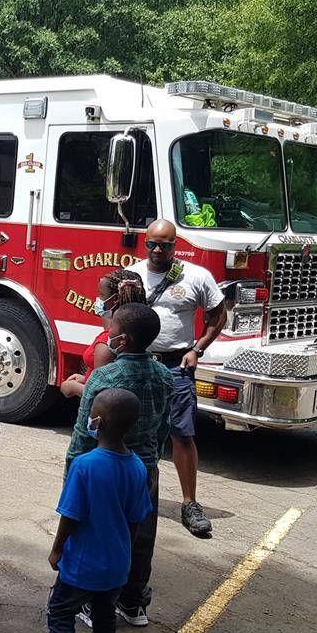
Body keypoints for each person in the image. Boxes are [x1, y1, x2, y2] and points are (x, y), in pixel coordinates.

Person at [66, 303, 171, 630]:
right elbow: (163, 426)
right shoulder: (164, 376)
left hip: (104, 470)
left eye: (111, 329)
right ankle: (133, 601)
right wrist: (151, 459)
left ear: (122, 340)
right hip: (145, 467)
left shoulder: (105, 377)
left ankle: (91, 602)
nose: (107, 333)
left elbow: (85, 431)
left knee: (97, 532)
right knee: (140, 534)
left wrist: (72, 472)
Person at [46, 388, 153, 633]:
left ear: (99, 422)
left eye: (92, 413)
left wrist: (57, 549)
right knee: (105, 615)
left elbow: (71, 515)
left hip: (82, 565)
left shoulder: (84, 465)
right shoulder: (138, 468)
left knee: (60, 612)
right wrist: (125, 552)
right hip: (116, 565)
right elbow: (136, 520)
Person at [126, 219, 224, 538]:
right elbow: (112, 315)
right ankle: (130, 495)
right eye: (152, 244)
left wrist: (198, 349)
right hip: (138, 363)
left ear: (174, 245)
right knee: (132, 432)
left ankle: (189, 504)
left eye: (164, 245)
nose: (157, 250)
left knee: (182, 434)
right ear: (145, 243)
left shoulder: (196, 276)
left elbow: (218, 315)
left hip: (176, 366)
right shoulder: (132, 275)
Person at [61, 270, 146, 398]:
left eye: (101, 295)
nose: (98, 299)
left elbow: (100, 393)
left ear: (115, 299)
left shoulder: (109, 341)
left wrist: (72, 387)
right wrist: (86, 378)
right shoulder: (135, 331)